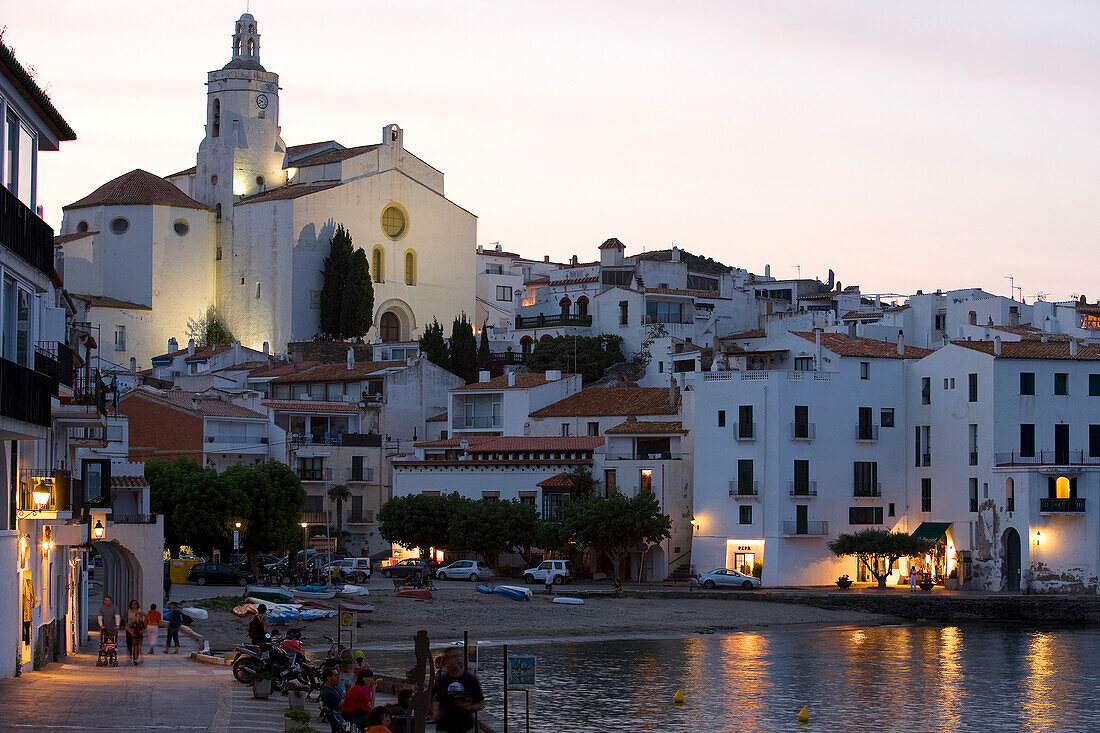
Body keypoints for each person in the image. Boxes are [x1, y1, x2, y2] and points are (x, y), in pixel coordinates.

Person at [430, 645, 485, 733]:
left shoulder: (470, 679)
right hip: (444, 727)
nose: (455, 659)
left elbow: (481, 703)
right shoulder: (443, 680)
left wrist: (470, 707)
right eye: (452, 657)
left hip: (465, 727)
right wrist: (435, 712)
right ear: (447, 661)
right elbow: (436, 699)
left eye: (457, 656)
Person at [319, 666, 346, 732]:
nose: (338, 677)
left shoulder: (334, 687)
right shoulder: (328, 693)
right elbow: (342, 707)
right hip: (343, 718)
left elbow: (344, 695)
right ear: (328, 678)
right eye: (335, 675)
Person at [123, 599, 147, 665]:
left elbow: (146, 616)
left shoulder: (139, 611)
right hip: (130, 628)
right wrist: (126, 623)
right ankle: (131, 654)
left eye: (135, 604)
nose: (134, 605)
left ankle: (135, 658)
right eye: (133, 604)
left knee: (137, 644)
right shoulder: (129, 611)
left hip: (137, 629)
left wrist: (144, 625)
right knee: (129, 642)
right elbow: (124, 617)